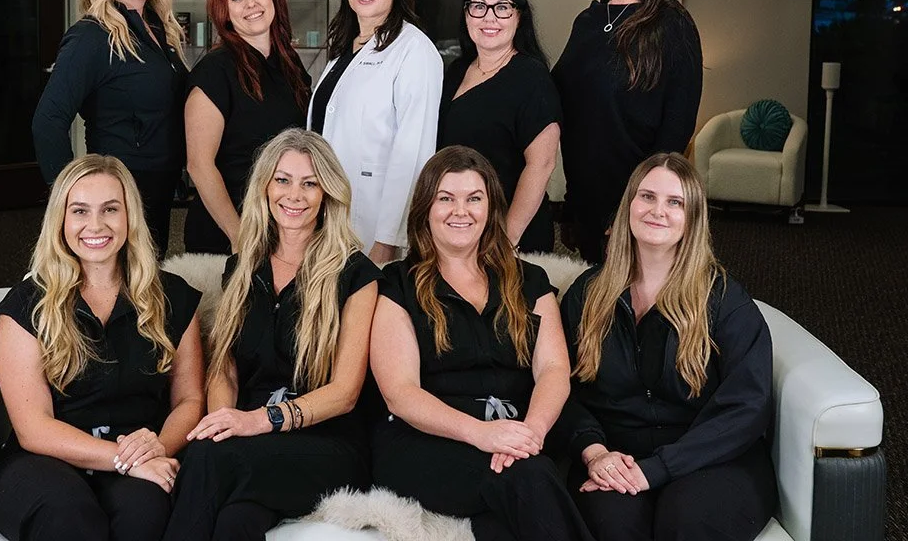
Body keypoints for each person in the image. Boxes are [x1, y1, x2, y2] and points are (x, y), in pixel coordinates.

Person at [163, 128, 382, 540]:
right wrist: (225, 421)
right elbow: (224, 368)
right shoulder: (242, 267)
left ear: (328, 193)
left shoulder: (357, 276)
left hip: (327, 444)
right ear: (265, 187)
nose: (294, 195)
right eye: (282, 180)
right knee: (234, 522)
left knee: (207, 460)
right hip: (251, 441)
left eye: (309, 183)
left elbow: (346, 392)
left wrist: (258, 422)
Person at [371, 146, 593, 541]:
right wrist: (481, 434)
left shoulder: (530, 281)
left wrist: (531, 433)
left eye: (474, 199)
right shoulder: (396, 285)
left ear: (491, 208)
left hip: (516, 434)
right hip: (426, 443)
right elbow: (400, 394)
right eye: (446, 198)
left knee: (509, 514)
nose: (461, 211)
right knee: (529, 476)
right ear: (425, 209)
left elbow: (555, 370)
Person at [0, 154, 205, 541]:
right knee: (70, 518)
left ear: (129, 217)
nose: (95, 225)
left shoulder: (173, 298)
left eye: (110, 210)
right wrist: (124, 461)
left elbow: (189, 400)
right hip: (44, 460)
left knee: (146, 512)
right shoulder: (25, 307)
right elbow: (34, 428)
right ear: (61, 221)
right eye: (80, 210)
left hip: (140, 449)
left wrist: (156, 448)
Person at [555, 152, 776, 540]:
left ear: (692, 219)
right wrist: (593, 451)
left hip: (710, 459)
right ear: (629, 206)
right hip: (615, 455)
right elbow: (559, 388)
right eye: (647, 197)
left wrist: (656, 470)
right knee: (613, 527)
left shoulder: (724, 300)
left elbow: (746, 407)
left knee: (687, 522)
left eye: (676, 202)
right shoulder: (585, 295)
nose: (658, 210)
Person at [552, 0, 703, 263]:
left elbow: (676, 129)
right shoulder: (588, 21)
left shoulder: (673, 24)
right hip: (586, 196)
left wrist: (638, 203)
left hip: (635, 205)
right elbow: (560, 99)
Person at [33, 0, 188, 257]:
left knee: (147, 288)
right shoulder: (92, 35)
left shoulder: (158, 30)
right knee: (121, 293)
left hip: (160, 188)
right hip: (120, 191)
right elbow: (48, 121)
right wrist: (72, 200)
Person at [309, 0, 443, 264]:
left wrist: (389, 239)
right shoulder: (344, 48)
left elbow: (414, 154)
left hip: (375, 223)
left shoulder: (414, 50)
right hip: (329, 211)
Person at [183, 0, 312, 255]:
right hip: (227, 233)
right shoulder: (215, 70)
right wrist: (238, 236)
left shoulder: (290, 64)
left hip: (280, 225)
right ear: (225, 12)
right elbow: (199, 165)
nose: (250, 4)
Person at [438, 0, 562, 253]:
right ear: (467, 14)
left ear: (519, 17)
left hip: (509, 237)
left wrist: (505, 239)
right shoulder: (456, 71)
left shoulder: (532, 77)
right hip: (459, 227)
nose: (489, 18)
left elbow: (541, 165)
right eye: (478, 7)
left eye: (502, 8)